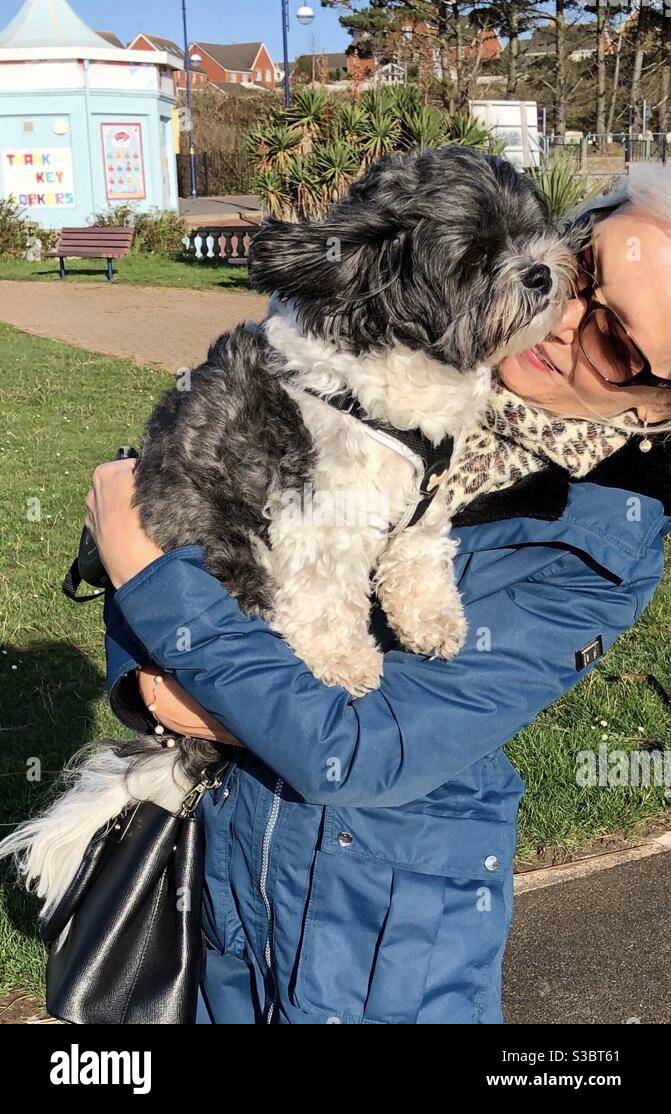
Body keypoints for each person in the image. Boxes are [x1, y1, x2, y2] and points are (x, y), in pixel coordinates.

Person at [88, 164, 670, 1025]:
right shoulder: (344, 373)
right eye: (583, 270)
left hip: (382, 950)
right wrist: (140, 677)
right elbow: (194, 538)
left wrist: (152, 588)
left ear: (659, 407)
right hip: (224, 892)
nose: (564, 317)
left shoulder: (595, 546)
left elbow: (358, 748)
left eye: (616, 346)